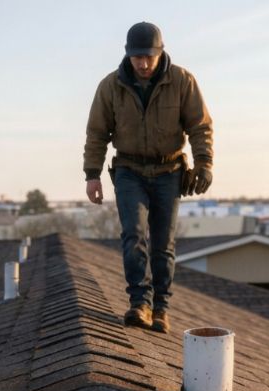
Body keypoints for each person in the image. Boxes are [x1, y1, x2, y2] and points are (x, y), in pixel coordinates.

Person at [83, 21, 213, 334]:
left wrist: (204, 163)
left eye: (148, 57)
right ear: (128, 55)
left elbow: (200, 126)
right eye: (137, 57)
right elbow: (97, 133)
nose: (142, 63)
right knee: (133, 234)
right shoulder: (110, 86)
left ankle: (161, 308)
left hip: (169, 171)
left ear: (160, 53)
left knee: (163, 244)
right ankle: (139, 303)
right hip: (129, 171)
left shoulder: (182, 81)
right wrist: (92, 174)